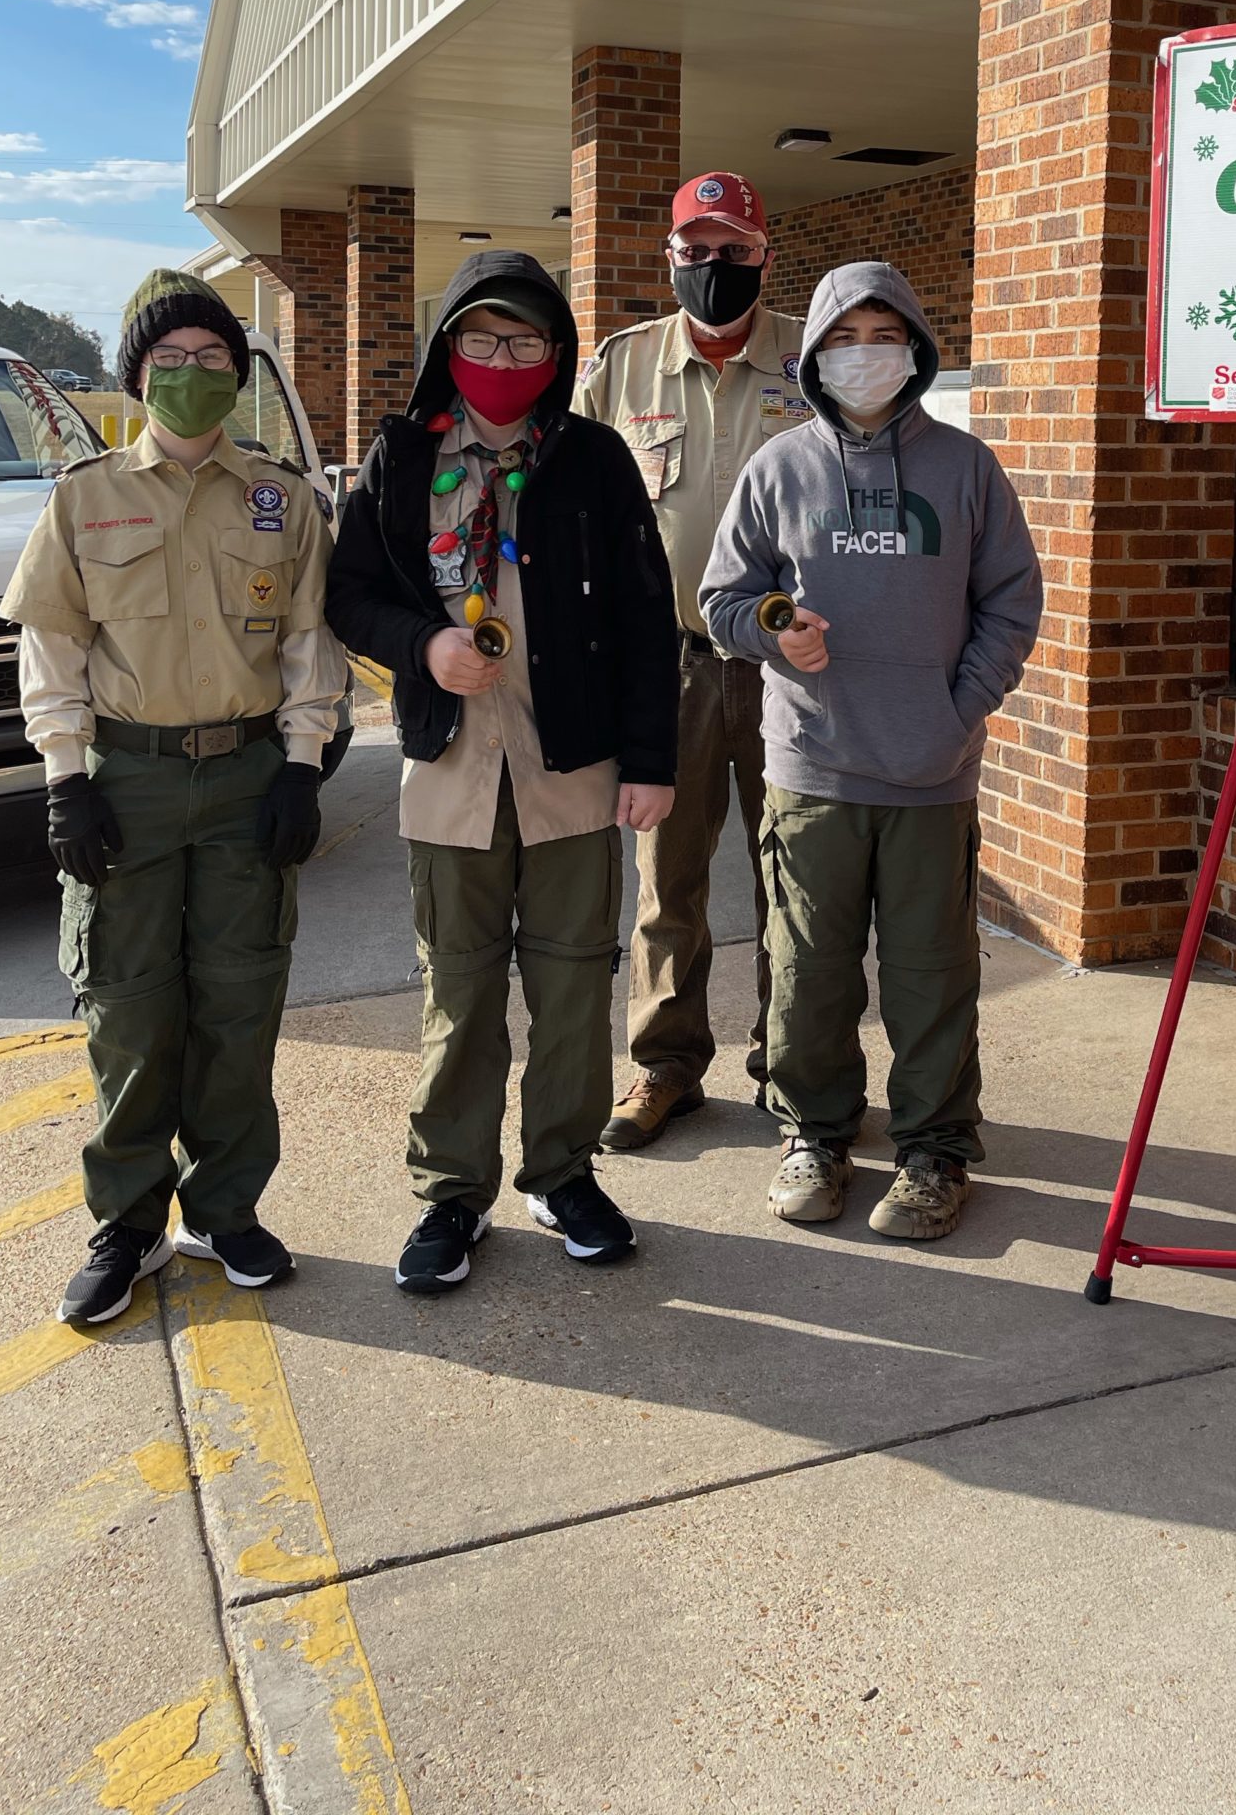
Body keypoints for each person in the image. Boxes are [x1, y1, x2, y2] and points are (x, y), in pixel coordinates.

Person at [325, 251, 677, 1294]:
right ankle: (451, 1190)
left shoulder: (595, 462)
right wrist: (420, 646)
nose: (501, 357)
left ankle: (562, 1171)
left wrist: (651, 761)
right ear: (447, 346)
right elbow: (348, 594)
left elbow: (646, 621)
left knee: (572, 986)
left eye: (525, 340)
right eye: (480, 337)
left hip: (572, 771)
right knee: (461, 991)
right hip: (449, 771)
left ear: (555, 355)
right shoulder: (398, 460)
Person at [2, 269, 345, 1326]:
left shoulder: (280, 498)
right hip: (131, 778)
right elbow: (52, 651)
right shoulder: (85, 498)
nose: (192, 376)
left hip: (245, 772)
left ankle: (226, 1209)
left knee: (241, 1002)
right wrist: (66, 782)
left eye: (211, 360)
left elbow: (309, 644)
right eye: (170, 360)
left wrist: (301, 762)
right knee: (128, 1005)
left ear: (238, 377)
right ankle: (129, 1221)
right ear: (137, 374)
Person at [701, 261, 1043, 1242]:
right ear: (814, 353)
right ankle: (814, 1131)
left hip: (934, 771)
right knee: (808, 969)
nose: (865, 355)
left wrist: (960, 709)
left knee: (933, 974)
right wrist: (777, 630)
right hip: (812, 767)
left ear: (916, 349)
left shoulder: (966, 469)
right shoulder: (780, 468)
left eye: (883, 334)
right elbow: (723, 597)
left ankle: (934, 1152)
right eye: (844, 337)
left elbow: (1012, 600)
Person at [575, 172, 808, 1150]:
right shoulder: (621, 370)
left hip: (794, 666)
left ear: (764, 254)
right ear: (669, 257)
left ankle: (795, 1065)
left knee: (795, 875)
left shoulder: (816, 356)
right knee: (667, 879)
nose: (717, 267)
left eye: (736, 250)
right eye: (697, 250)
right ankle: (666, 1065)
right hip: (665, 667)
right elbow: (576, 520)